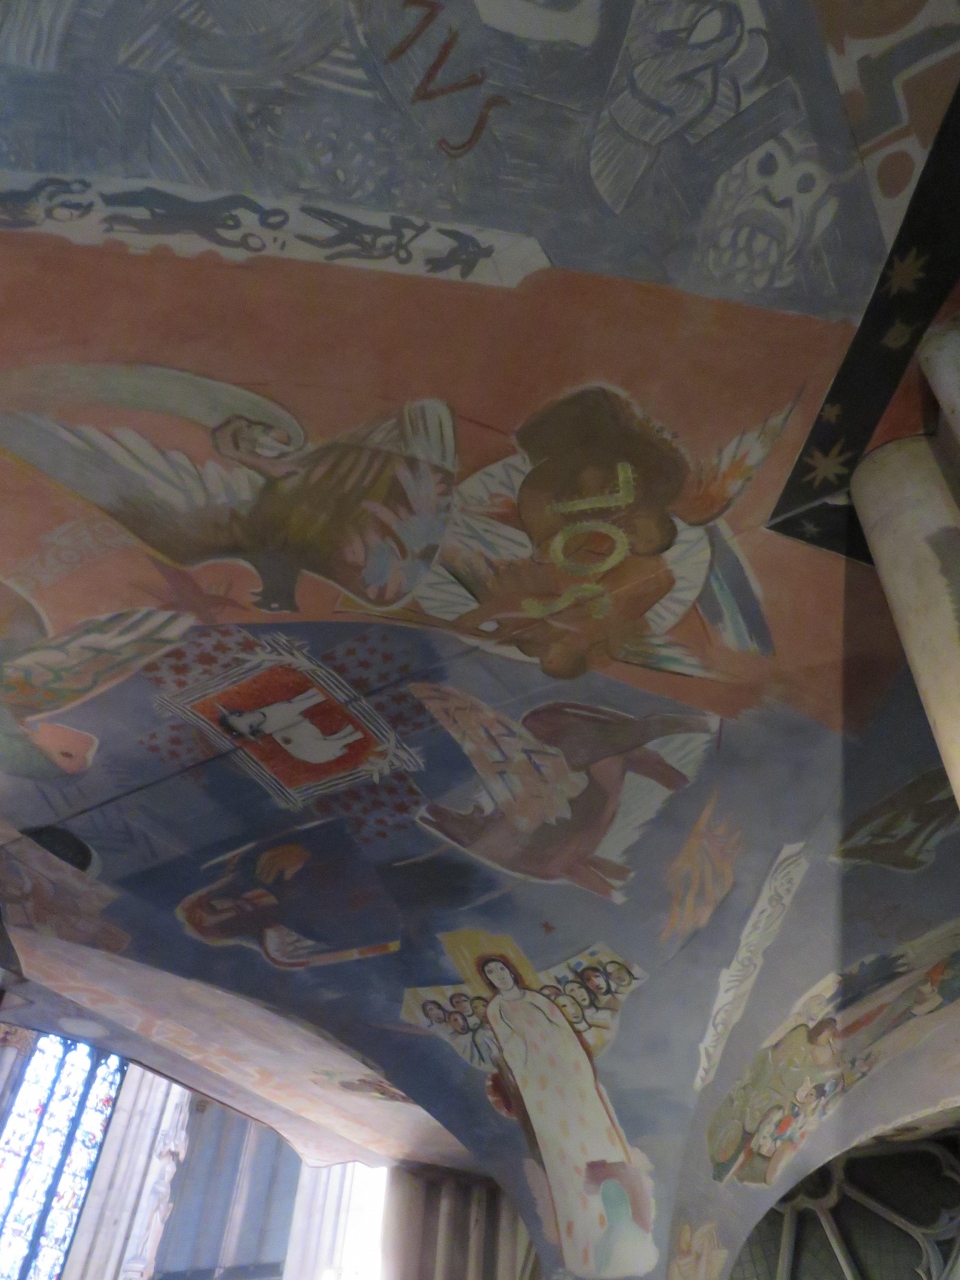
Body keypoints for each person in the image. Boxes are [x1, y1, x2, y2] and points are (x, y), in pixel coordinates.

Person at [479, 955, 657, 1278]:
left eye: (501, 968)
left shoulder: (537, 999)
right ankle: (585, 1245)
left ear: (511, 971)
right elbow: (511, 1047)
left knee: (598, 1140)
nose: (499, 975)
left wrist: (574, 1071)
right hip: (540, 1088)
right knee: (565, 1162)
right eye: (491, 973)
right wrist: (529, 1058)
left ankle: (621, 1222)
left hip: (569, 1077)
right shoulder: (496, 1009)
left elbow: (564, 1033)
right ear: (489, 980)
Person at [218, 687, 365, 765]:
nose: (251, 718)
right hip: (313, 753)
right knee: (315, 743)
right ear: (253, 730)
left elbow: (293, 703)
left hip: (308, 744)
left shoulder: (263, 714)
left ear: (239, 713)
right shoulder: (271, 725)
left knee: (295, 704)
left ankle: (347, 735)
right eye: (250, 725)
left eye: (241, 717)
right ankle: (352, 736)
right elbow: (295, 706)